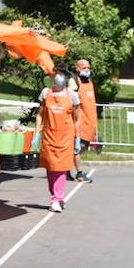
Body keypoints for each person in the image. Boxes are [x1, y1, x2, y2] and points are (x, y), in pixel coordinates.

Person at [37, 68, 81, 211]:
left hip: (66, 137)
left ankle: (57, 198)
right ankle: (55, 195)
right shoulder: (46, 93)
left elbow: (77, 119)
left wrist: (78, 138)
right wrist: (37, 133)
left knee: (60, 168)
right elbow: (40, 115)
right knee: (50, 168)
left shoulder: (72, 96)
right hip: (49, 136)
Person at [71, 58, 97, 183]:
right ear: (77, 68)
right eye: (83, 67)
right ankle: (79, 173)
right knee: (78, 148)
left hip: (90, 122)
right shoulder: (75, 82)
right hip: (80, 122)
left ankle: (66, 170)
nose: (86, 70)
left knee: (83, 147)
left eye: (88, 67)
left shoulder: (89, 81)